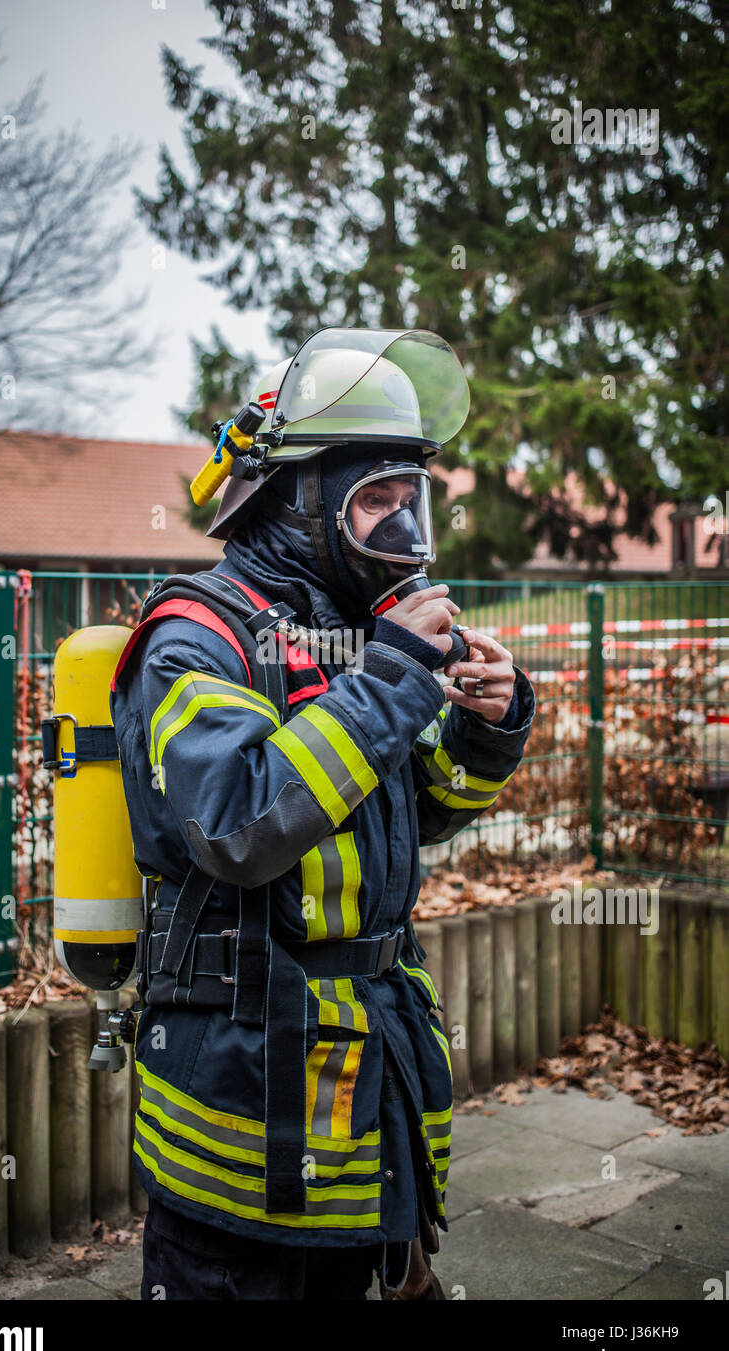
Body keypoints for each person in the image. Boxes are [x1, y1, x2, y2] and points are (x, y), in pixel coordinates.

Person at [111, 328, 536, 1300]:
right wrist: (391, 678)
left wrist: (487, 726)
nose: (400, 528)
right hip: (246, 1141)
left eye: (409, 498)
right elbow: (239, 823)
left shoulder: (355, 638)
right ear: (298, 503)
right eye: (373, 500)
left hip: (364, 1111)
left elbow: (409, 817)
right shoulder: (195, 636)